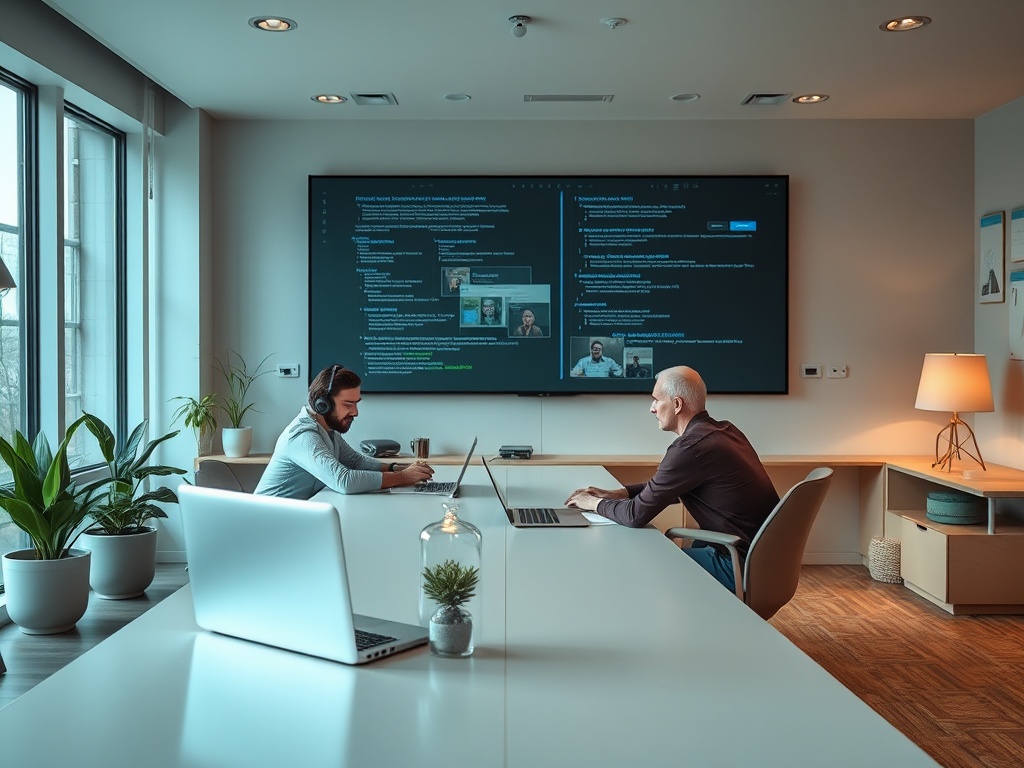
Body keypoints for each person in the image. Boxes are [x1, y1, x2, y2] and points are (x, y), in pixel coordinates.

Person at [564, 366, 779, 592]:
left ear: (677, 404)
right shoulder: (724, 431)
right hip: (763, 564)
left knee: (631, 563)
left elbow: (635, 515)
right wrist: (621, 493)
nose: (652, 408)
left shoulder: (690, 449)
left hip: (734, 567)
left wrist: (592, 503)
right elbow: (672, 487)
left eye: (657, 400)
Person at [254, 364, 434, 499]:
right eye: (348, 404)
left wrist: (395, 467)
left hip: (288, 521)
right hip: (265, 528)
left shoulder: (327, 430)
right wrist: (402, 477)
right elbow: (344, 481)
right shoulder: (303, 436)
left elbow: (355, 461)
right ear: (323, 404)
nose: (355, 412)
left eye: (356, 403)